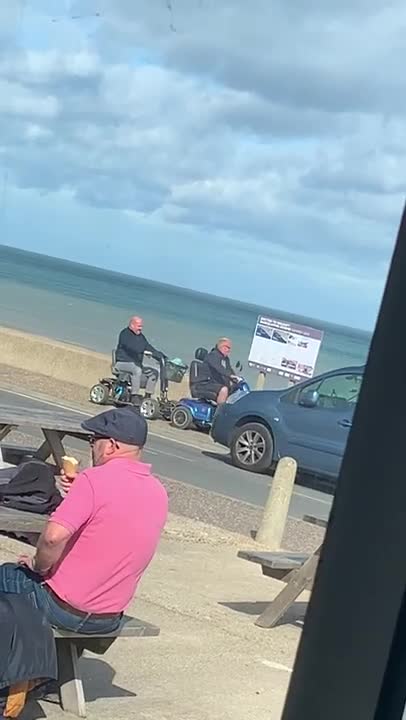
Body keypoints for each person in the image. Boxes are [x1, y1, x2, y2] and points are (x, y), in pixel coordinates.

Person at [0, 407, 168, 635]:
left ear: (110, 445)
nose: (91, 447)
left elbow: (52, 538)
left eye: (92, 440)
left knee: (7, 576)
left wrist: (37, 566)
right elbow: (115, 518)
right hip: (109, 617)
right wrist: (81, 491)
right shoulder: (157, 492)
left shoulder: (94, 481)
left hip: (63, 607)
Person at [114, 316, 166, 403]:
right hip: (122, 363)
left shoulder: (141, 337)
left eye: (141, 326)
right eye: (139, 326)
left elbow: (148, 346)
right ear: (132, 325)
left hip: (136, 365)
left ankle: (147, 396)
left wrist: (160, 356)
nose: (141, 328)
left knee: (154, 373)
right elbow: (131, 347)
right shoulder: (124, 334)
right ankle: (134, 395)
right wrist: (143, 351)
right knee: (137, 369)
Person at [194, 337, 238, 405]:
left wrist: (236, 378)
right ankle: (220, 412)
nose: (229, 350)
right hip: (206, 383)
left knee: (234, 389)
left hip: (215, 384)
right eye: (227, 347)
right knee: (224, 389)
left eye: (229, 348)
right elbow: (218, 368)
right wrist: (230, 375)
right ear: (221, 346)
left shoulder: (226, 359)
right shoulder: (213, 355)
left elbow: (229, 370)